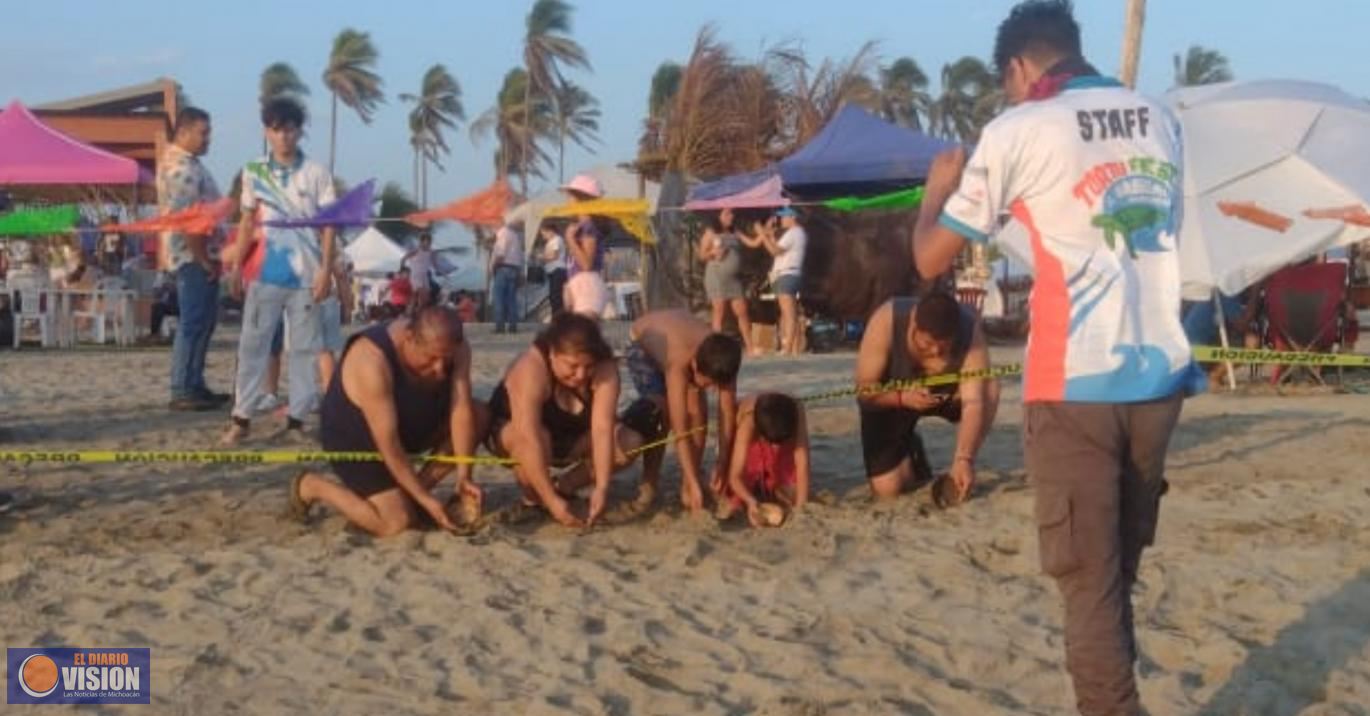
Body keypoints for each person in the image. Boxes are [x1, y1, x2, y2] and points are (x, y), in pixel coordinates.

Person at [911, 3, 1200, 712]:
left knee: (1086, 582)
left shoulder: (1018, 128)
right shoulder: (1158, 118)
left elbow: (929, 258)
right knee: (1115, 573)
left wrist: (935, 194)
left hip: (1074, 381)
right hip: (1159, 375)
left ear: (1018, 67)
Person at [290, 305, 481, 537]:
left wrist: (464, 475)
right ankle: (313, 486)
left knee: (479, 415)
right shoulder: (371, 360)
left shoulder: (456, 347)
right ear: (410, 338)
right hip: (355, 436)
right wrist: (426, 500)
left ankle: (410, 496)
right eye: (431, 359)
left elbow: (460, 409)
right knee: (395, 523)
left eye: (446, 360)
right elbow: (389, 445)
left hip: (409, 419)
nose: (440, 370)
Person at [223, 97, 337, 445]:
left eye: (289, 129)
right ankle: (241, 418)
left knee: (303, 350)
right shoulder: (254, 171)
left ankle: (297, 421)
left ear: (299, 131)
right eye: (276, 129)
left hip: (305, 278)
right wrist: (236, 267)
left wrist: (325, 272)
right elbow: (246, 221)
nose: (284, 136)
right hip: (264, 276)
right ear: (266, 132)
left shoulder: (317, 173)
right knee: (252, 347)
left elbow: (329, 226)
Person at [484, 313, 658, 528]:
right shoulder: (530, 369)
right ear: (553, 354)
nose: (580, 375)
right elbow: (527, 437)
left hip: (570, 439)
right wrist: (550, 502)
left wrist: (601, 487)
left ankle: (565, 487)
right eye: (572, 366)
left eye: (588, 366)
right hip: (516, 437)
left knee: (628, 442)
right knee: (537, 438)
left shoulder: (605, 368)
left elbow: (602, 429)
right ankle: (535, 499)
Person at [854, 292, 1000, 503]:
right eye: (927, 344)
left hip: (944, 392)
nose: (934, 352)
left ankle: (962, 462)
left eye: (944, 347)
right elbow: (864, 392)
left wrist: (964, 459)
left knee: (990, 388)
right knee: (888, 489)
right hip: (892, 396)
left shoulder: (970, 331)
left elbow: (973, 403)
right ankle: (910, 448)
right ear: (914, 323)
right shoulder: (886, 320)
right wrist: (901, 398)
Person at [624, 309, 743, 512]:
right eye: (708, 383)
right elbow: (680, 430)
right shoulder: (678, 363)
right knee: (662, 413)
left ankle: (690, 483)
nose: (712, 389)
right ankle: (650, 482)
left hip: (681, 333)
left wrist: (722, 463)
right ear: (695, 365)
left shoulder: (724, 357)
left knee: (698, 410)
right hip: (642, 343)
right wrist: (692, 478)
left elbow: (727, 412)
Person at [158, 107, 226, 411]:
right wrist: (202, 259)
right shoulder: (182, 169)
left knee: (203, 322)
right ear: (183, 133)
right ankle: (183, 387)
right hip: (192, 257)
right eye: (203, 132)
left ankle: (194, 383)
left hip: (202, 254)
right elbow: (190, 222)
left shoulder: (189, 164)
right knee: (194, 321)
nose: (208, 139)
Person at [717, 393, 810, 527]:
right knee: (734, 499)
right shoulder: (748, 421)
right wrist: (751, 502)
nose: (774, 447)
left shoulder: (797, 410)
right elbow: (735, 476)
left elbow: (803, 463)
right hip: (752, 440)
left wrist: (801, 509)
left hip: (781, 431)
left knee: (791, 493)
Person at [742, 207, 807, 354]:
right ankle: (793, 347)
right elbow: (775, 248)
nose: (781, 220)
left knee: (788, 312)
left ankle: (788, 347)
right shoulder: (796, 233)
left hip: (787, 274)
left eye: (783, 217)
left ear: (792, 217)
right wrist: (768, 235)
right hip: (785, 274)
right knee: (788, 312)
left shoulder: (794, 233)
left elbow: (774, 251)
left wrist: (762, 234)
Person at [699, 208, 756, 354]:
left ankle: (750, 347)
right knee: (719, 311)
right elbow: (701, 255)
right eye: (727, 214)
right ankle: (715, 349)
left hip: (734, 279)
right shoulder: (711, 233)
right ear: (718, 216)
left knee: (742, 311)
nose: (731, 216)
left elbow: (752, 244)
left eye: (732, 213)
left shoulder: (735, 232)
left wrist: (763, 233)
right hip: (717, 276)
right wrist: (713, 252)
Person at [560, 174, 611, 318]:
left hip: (587, 285)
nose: (567, 201)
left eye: (570, 197)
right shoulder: (581, 226)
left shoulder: (589, 228)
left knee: (583, 335)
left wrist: (570, 239)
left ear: (582, 200)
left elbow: (587, 264)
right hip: (580, 284)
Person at [317, 255, 353, 394]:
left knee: (314, 352)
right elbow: (341, 276)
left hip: (312, 299)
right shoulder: (334, 247)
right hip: (330, 301)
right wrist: (347, 305)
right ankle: (331, 392)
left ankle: (305, 399)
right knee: (327, 352)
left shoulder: (304, 238)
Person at [489, 219, 525, 333]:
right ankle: (513, 325)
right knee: (511, 299)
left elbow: (500, 254)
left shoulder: (503, 234)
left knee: (499, 298)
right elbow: (519, 256)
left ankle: (500, 326)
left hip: (503, 268)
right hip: (514, 269)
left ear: (496, 224)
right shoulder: (514, 235)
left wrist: (493, 267)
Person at [402, 232, 437, 308]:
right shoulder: (416, 250)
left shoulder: (431, 252)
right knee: (421, 293)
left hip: (424, 275)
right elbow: (404, 259)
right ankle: (416, 310)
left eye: (430, 241)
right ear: (422, 241)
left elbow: (435, 264)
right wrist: (403, 269)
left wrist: (443, 273)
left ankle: (418, 309)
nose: (429, 243)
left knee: (426, 295)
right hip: (415, 275)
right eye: (427, 241)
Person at [540, 222, 567, 315]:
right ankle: (556, 317)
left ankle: (558, 318)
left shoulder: (557, 240)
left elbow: (554, 255)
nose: (543, 236)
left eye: (544, 234)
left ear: (550, 231)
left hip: (557, 270)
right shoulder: (550, 242)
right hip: (552, 271)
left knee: (556, 296)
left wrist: (542, 257)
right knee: (553, 296)